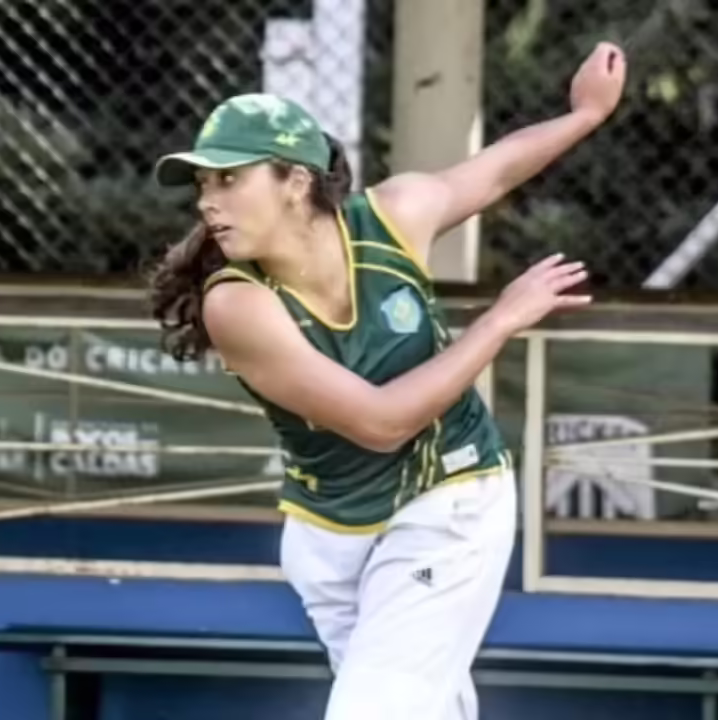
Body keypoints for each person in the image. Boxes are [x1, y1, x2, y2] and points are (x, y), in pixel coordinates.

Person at [147, 41, 626, 720]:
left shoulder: (392, 218)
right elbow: (379, 422)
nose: (208, 202)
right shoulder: (236, 303)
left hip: (449, 502)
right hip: (329, 539)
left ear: (296, 180)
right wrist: (500, 321)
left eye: (229, 179)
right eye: (202, 185)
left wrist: (584, 115)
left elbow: (490, 174)